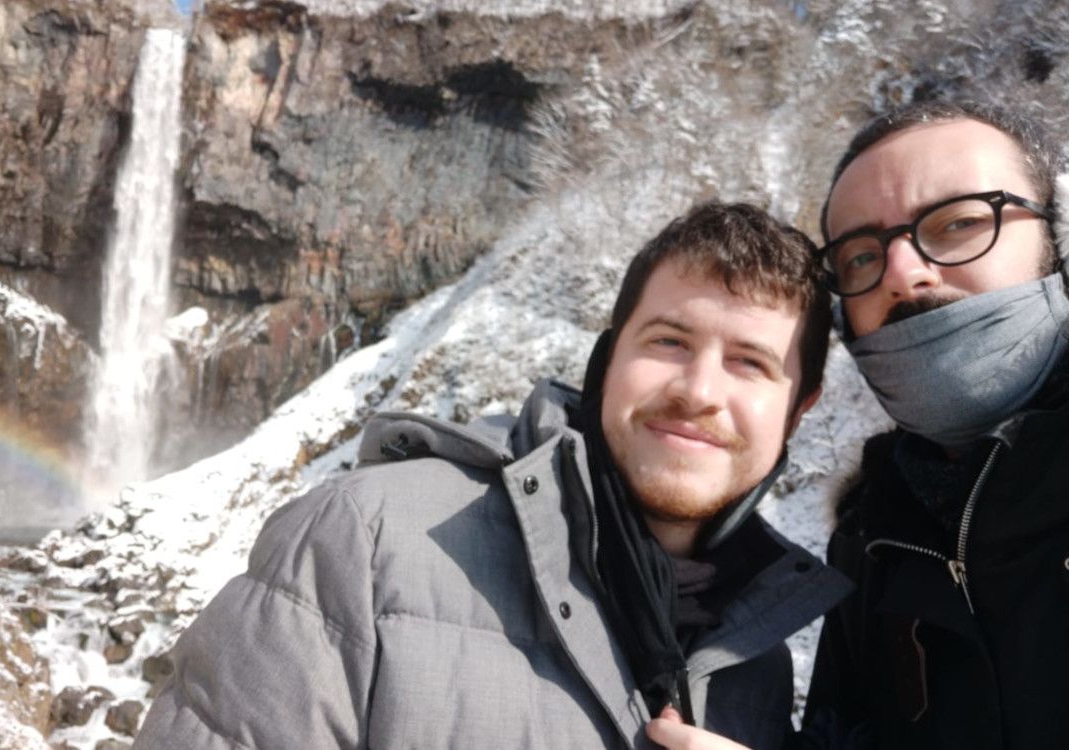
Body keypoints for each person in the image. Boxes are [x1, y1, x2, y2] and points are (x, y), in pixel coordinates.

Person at [134, 202, 849, 749]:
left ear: (800, 409)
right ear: (608, 362)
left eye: (751, 363)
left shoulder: (758, 663)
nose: (699, 390)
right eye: (668, 341)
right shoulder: (364, 542)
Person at [649, 100, 1069, 750]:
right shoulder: (872, 537)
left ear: (1059, 242)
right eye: (861, 258)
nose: (903, 273)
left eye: (958, 222)